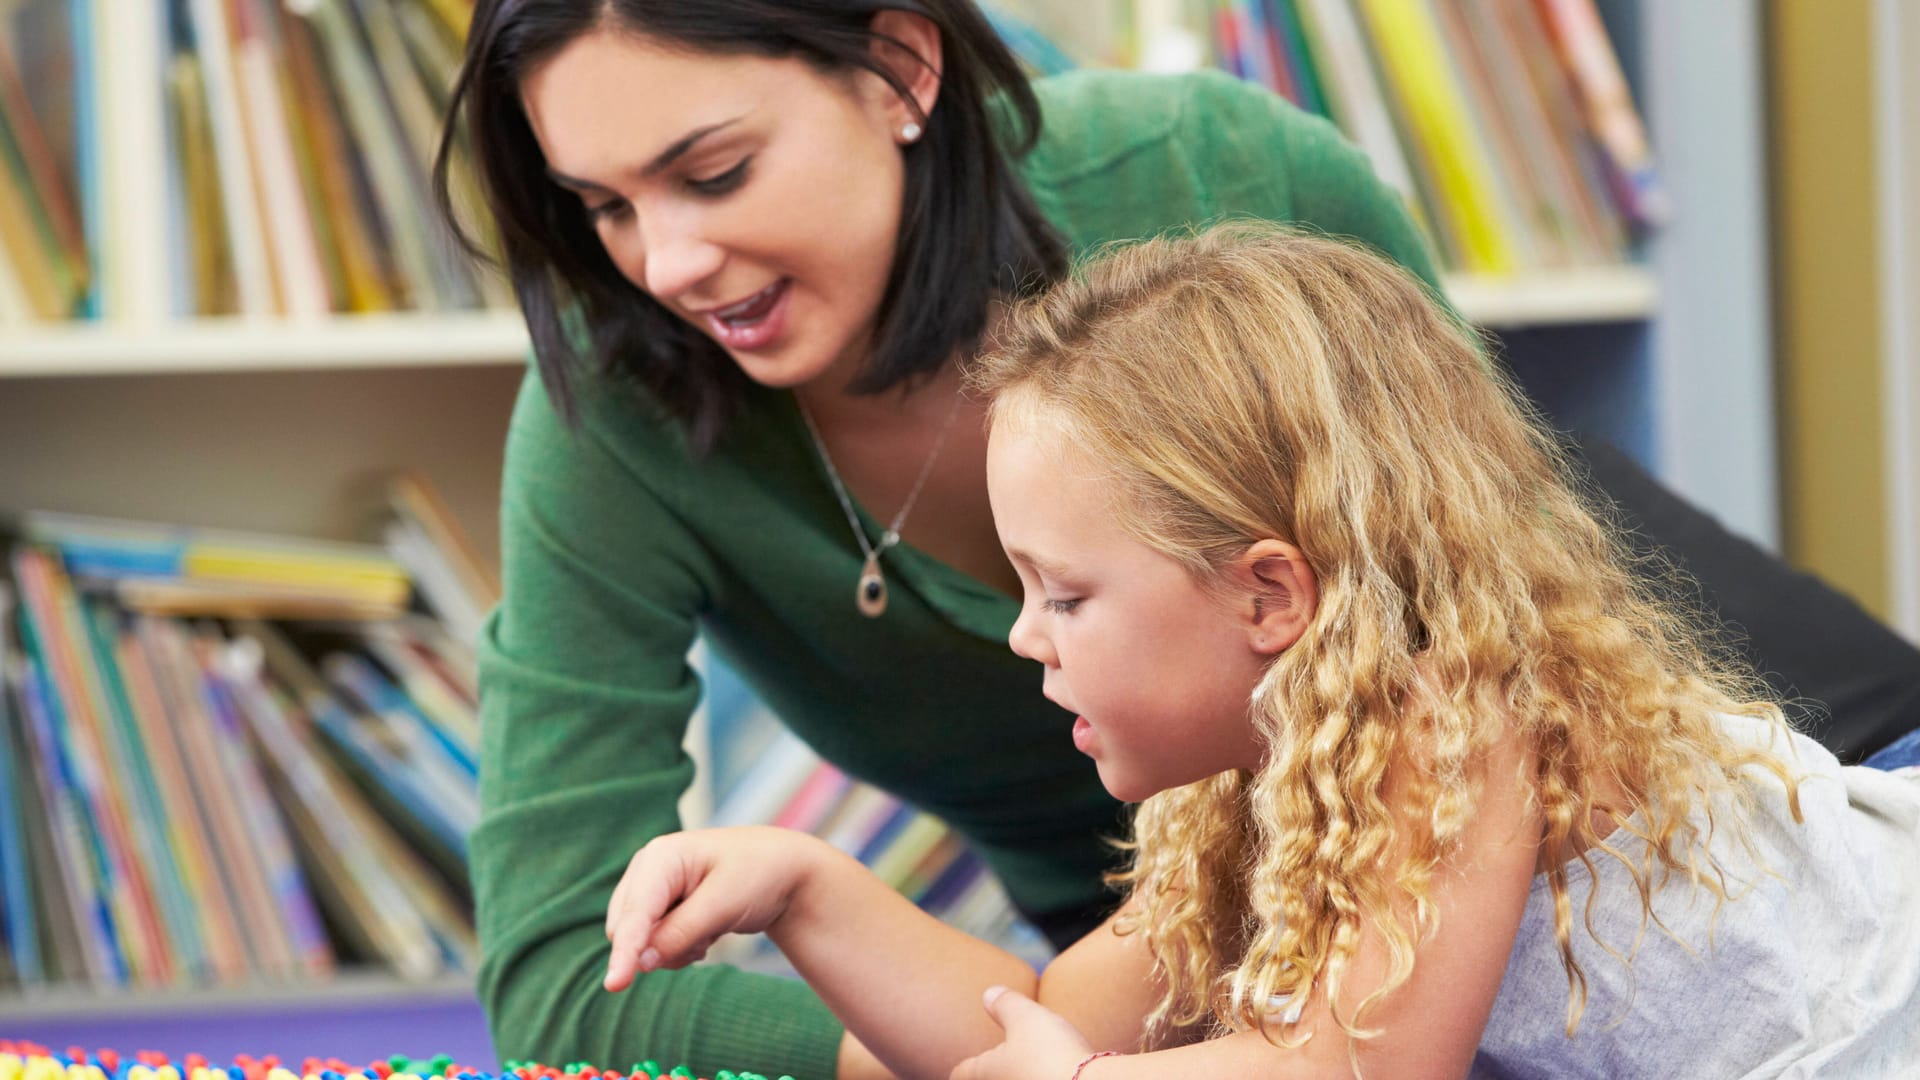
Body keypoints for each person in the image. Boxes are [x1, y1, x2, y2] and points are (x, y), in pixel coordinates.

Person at [433, 2, 1920, 1075]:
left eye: (713, 171)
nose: (668, 261)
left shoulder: (1447, 722)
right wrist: (813, 895)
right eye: (601, 208)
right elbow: (1039, 1015)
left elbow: (1351, 1072)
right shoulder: (1244, 793)